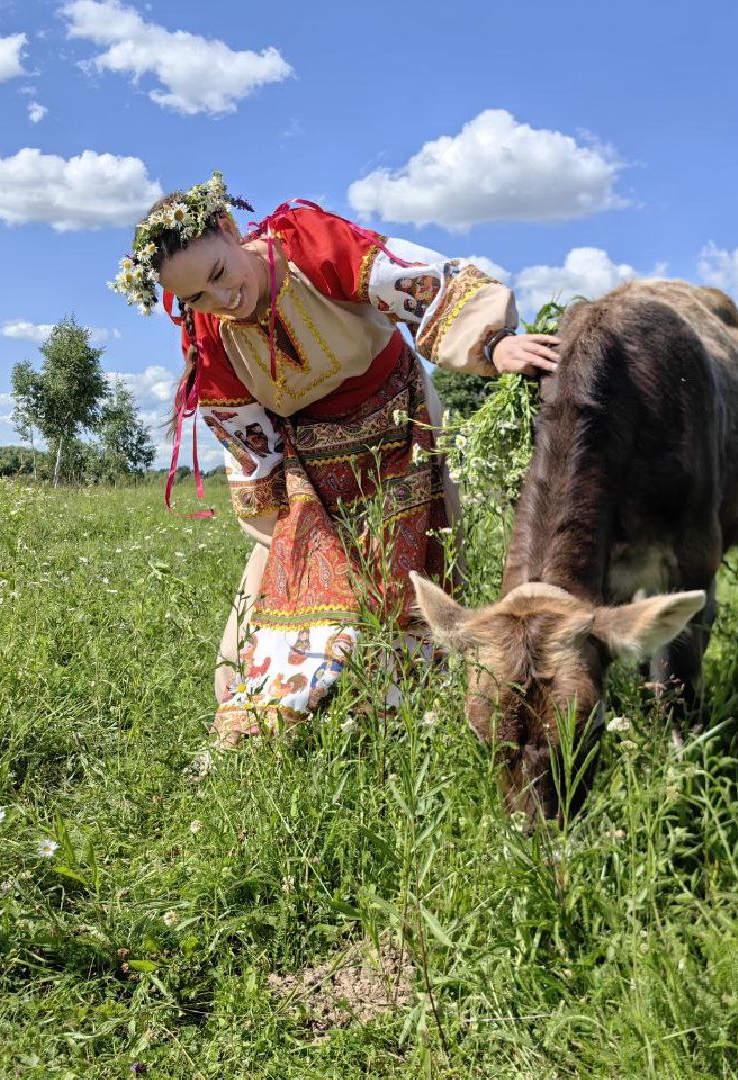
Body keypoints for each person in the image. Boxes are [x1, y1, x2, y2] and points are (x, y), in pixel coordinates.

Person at [111, 172, 558, 747]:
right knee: (290, 581)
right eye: (196, 296)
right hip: (310, 458)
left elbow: (410, 282)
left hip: (400, 427)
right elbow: (245, 433)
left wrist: (494, 344)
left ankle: (407, 721)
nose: (220, 300)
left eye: (219, 274)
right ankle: (255, 715)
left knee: (417, 570)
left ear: (229, 230)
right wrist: (285, 535)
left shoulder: (306, 245)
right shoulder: (211, 331)